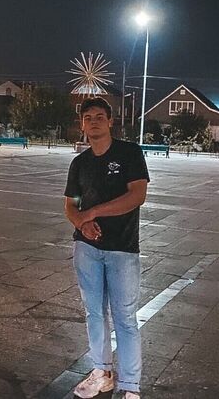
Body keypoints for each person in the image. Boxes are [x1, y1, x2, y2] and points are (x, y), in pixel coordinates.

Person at [64, 97, 149, 399]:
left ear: (111, 121)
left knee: (125, 318)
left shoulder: (129, 153)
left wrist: (93, 212)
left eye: (100, 116)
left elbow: (137, 196)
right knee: (94, 313)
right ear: (82, 124)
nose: (94, 122)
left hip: (122, 249)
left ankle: (131, 386)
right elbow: (70, 205)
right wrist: (82, 223)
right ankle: (101, 372)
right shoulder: (79, 163)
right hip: (86, 249)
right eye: (88, 118)